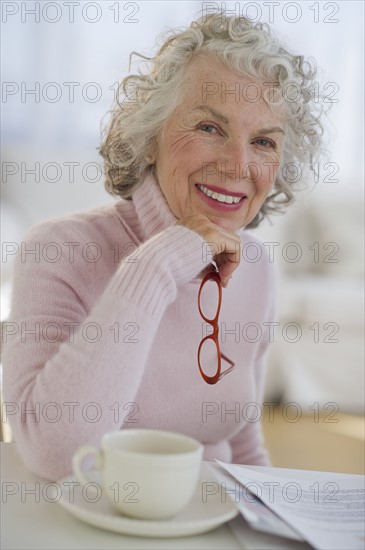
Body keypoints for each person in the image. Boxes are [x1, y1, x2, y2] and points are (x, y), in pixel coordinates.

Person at [2, 13, 323, 481]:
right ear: (150, 137)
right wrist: (158, 263)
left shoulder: (255, 267)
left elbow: (242, 444)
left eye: (263, 141)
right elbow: (56, 454)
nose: (238, 166)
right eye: (210, 128)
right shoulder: (58, 250)